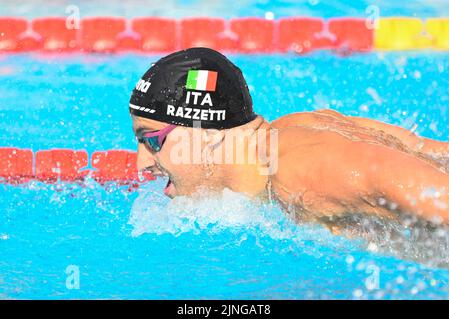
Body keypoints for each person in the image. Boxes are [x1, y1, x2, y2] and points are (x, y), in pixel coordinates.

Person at [129, 47, 449, 232]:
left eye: (152, 141)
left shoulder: (299, 172)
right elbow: (429, 151)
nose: (142, 163)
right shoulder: (296, 129)